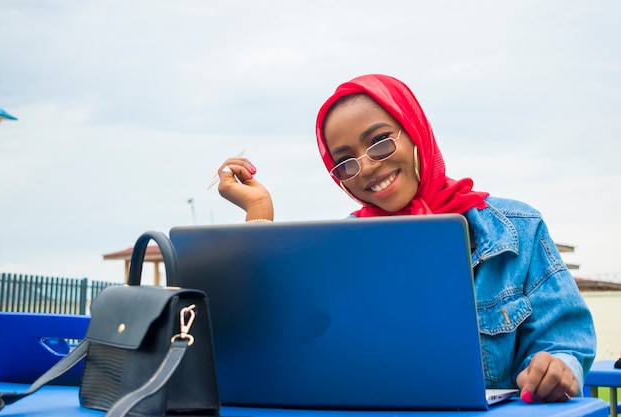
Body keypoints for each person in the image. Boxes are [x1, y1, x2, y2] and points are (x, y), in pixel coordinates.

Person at [213, 74, 597, 403]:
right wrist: (258, 211)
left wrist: (557, 367)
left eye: (380, 141)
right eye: (344, 161)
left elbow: (566, 343)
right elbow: (273, 347)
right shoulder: (336, 251)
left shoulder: (518, 229)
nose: (366, 167)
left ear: (415, 133)